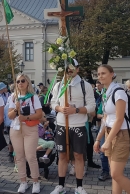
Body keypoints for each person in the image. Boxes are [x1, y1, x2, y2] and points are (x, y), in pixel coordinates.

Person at [50, 59, 95, 194]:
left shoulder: (85, 85)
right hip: (62, 125)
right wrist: (59, 108)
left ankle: (79, 186)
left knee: (78, 155)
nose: (69, 70)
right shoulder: (58, 85)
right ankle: (60, 186)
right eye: (66, 67)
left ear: (77, 69)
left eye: (72, 67)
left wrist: (75, 110)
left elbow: (91, 106)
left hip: (79, 125)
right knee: (62, 155)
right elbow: (53, 103)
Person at [94, 65, 130, 194]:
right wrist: (98, 139)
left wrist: (107, 140)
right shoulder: (106, 92)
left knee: (115, 174)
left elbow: (119, 119)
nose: (100, 76)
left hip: (121, 134)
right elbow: (105, 119)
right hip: (110, 132)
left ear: (112, 74)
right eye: (98, 74)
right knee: (115, 175)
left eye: (103, 73)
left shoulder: (118, 92)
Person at [8, 73, 42, 193]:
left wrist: (26, 117)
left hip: (30, 129)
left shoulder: (33, 97)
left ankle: (35, 182)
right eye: (18, 81)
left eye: (23, 81)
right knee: (19, 156)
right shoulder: (13, 96)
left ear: (27, 82)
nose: (20, 83)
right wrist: (16, 109)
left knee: (30, 156)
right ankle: (23, 182)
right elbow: (10, 115)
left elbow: (39, 114)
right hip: (15, 129)